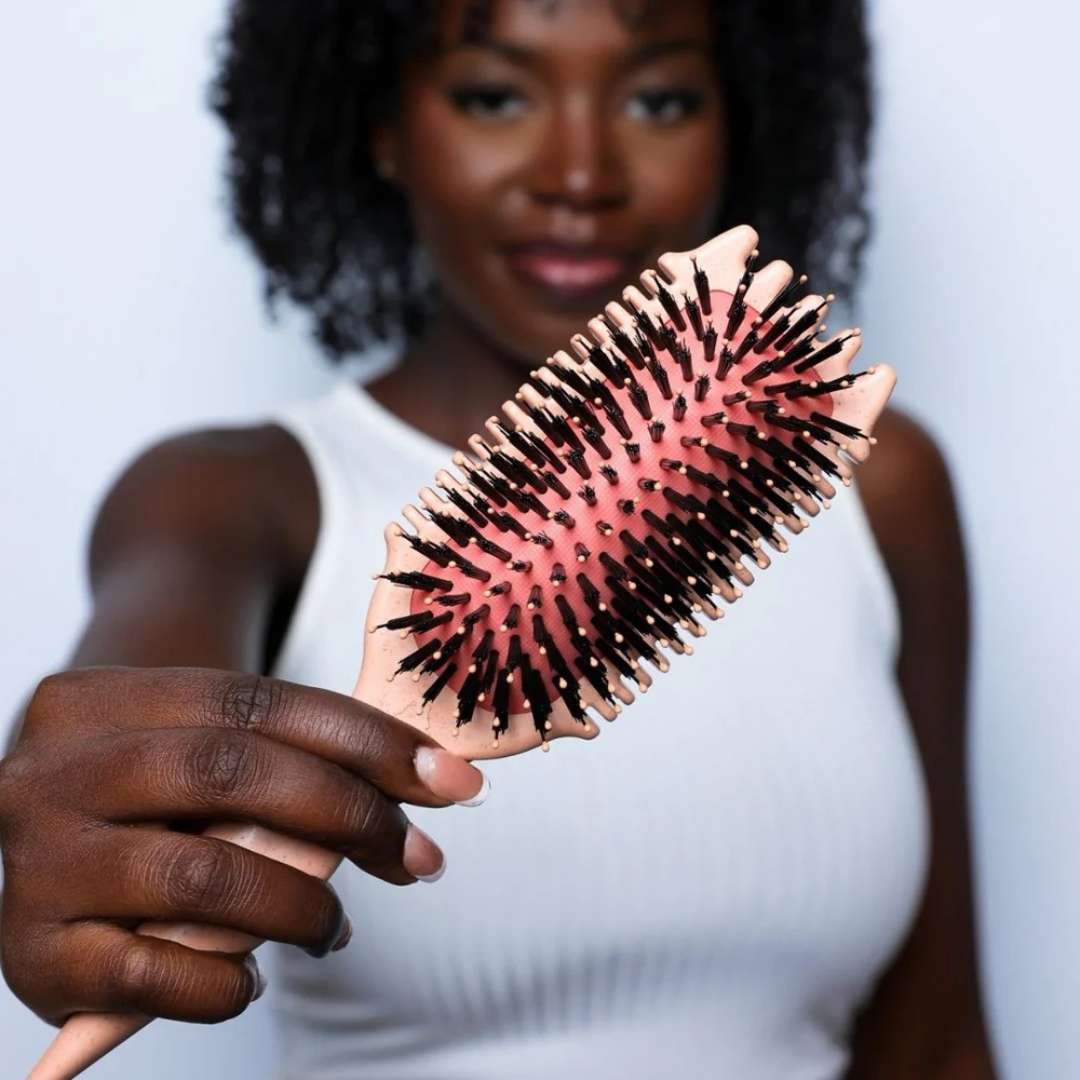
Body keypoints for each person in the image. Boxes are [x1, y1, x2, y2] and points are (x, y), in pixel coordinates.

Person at [0, 1, 996, 1076]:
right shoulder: (237, 496)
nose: (579, 174)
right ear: (383, 127)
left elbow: (937, 1042)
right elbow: (133, 689)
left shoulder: (878, 484)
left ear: (741, 123)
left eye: (660, 100)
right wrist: (86, 812)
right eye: (493, 95)